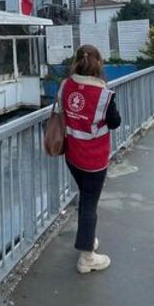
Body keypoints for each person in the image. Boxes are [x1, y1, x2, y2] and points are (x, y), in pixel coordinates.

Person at [60, 44, 121, 274]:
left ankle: (87, 239)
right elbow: (115, 122)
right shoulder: (104, 95)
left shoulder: (66, 85)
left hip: (71, 155)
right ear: (98, 63)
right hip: (94, 158)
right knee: (90, 204)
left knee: (85, 199)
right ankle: (86, 258)